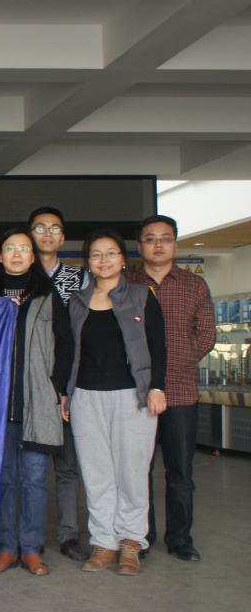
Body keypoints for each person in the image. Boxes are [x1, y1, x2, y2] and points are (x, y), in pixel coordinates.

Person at [64, 229, 167, 576]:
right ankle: (104, 542)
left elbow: (158, 345)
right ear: (88, 262)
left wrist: (157, 387)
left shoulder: (141, 296)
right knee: (97, 474)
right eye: (96, 254)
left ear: (123, 259)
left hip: (132, 396)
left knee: (132, 472)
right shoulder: (77, 302)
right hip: (86, 396)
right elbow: (69, 351)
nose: (103, 260)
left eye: (110, 253)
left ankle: (131, 542)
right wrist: (65, 393)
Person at [0, 229, 73, 577]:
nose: (17, 254)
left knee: (35, 479)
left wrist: (58, 389)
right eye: (10, 248)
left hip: (37, 402)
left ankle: (32, 549)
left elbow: (65, 345)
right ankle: (7, 547)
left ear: (33, 257)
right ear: (0, 256)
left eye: (24, 248)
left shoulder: (49, 298)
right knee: (5, 480)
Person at [132, 215, 215, 562]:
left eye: (165, 238)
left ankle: (180, 539)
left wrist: (175, 366)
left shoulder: (194, 285)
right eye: (150, 239)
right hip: (137, 393)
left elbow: (207, 334)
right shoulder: (128, 283)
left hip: (180, 392)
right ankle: (141, 535)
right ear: (140, 246)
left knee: (180, 472)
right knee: (139, 471)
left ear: (175, 244)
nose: (158, 245)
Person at [29, 206, 89, 562]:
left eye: (54, 228)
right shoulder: (21, 276)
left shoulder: (79, 279)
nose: (47, 234)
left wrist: (66, 385)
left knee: (67, 466)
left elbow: (80, 335)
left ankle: (68, 535)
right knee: (29, 468)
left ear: (63, 237)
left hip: (67, 381)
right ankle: (29, 539)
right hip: (28, 386)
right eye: (40, 227)